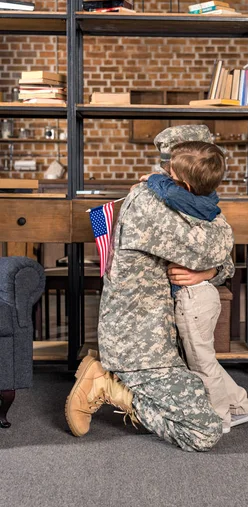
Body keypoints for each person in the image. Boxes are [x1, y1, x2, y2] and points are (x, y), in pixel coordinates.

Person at [65, 126, 235, 452]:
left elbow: (220, 260)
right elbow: (219, 243)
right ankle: (111, 387)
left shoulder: (183, 201)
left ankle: (116, 379)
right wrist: (213, 265)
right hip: (143, 348)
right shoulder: (152, 202)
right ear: (178, 166)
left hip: (167, 339)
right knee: (204, 431)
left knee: (214, 395)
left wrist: (209, 272)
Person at [142, 139, 248, 434]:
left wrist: (153, 180)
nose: (166, 174)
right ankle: (240, 405)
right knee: (205, 361)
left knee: (201, 366)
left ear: (187, 188)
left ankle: (217, 419)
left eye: (172, 173)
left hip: (195, 302)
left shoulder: (197, 209)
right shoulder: (205, 202)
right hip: (199, 298)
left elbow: (167, 193)